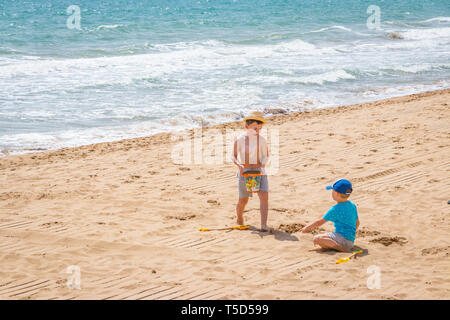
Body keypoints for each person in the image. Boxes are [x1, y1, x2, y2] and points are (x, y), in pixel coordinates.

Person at [232, 110, 271, 232]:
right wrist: (239, 164)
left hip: (259, 170)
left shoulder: (262, 140)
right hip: (245, 171)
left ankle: (263, 224)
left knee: (264, 196)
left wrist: (264, 164)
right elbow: (233, 156)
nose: (257, 131)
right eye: (254, 128)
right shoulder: (240, 140)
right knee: (243, 199)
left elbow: (266, 155)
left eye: (259, 129)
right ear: (246, 126)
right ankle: (239, 219)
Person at [300, 179, 359, 252]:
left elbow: (319, 222)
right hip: (351, 241)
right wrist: (349, 235)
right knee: (324, 237)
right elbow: (357, 223)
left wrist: (307, 228)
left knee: (317, 239)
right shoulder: (352, 206)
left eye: (332, 191)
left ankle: (340, 248)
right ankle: (336, 246)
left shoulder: (335, 209)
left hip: (342, 239)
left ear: (336, 193)